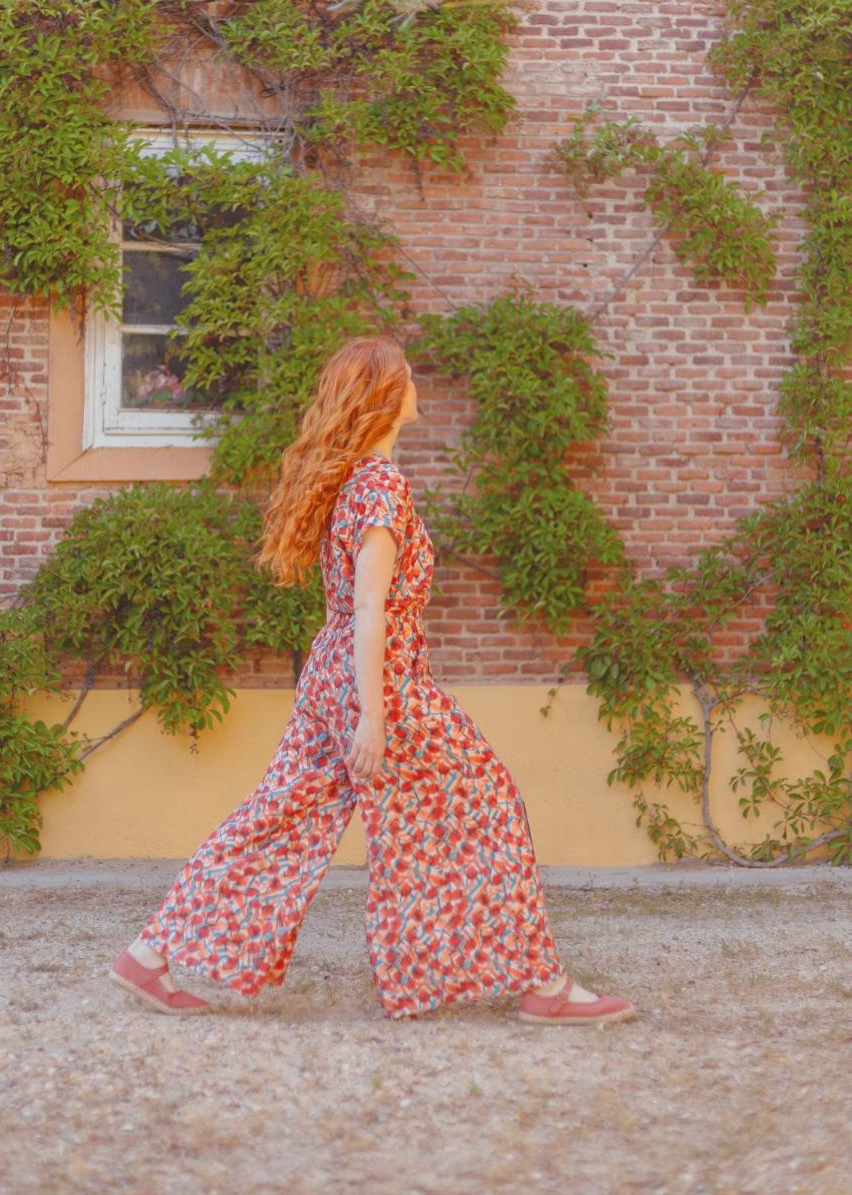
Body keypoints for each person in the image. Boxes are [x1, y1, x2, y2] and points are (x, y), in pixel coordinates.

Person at [109, 335, 636, 1025]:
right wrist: (374, 715)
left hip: (330, 673)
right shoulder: (382, 486)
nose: (416, 386)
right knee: (487, 800)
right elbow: (369, 605)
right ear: (385, 397)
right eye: (407, 377)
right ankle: (541, 983)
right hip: (379, 681)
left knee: (281, 815)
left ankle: (148, 954)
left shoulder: (353, 482)